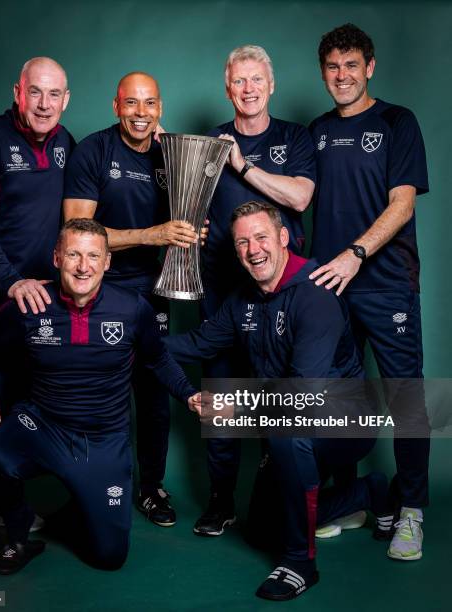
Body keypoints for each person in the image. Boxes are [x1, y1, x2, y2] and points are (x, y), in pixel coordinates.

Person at [165, 201, 393, 600]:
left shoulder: (315, 296)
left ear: (283, 238)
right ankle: (367, 493)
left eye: (261, 237)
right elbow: (199, 342)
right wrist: (138, 344)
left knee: (288, 434)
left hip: (347, 422)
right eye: (242, 242)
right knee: (261, 530)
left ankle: (300, 563)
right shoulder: (243, 300)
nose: (253, 249)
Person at [0, 219, 198, 575]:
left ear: (107, 262)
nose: (83, 266)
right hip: (43, 424)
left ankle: (84, 502)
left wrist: (189, 394)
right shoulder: (30, 304)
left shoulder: (132, 308)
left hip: (103, 439)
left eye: (92, 256)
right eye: (73, 254)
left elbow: (158, 359)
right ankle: (18, 533)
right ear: (56, 258)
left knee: (110, 557)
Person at [308, 23, 430, 561]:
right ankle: (351, 501)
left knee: (405, 397)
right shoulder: (315, 130)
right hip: (330, 286)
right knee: (341, 399)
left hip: (384, 284)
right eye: (333, 67)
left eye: (351, 65)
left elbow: (402, 204)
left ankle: (411, 511)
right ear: (323, 73)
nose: (342, 76)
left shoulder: (397, 122)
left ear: (370, 67)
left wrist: (355, 255)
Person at [62, 72, 199, 527]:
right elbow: (78, 231)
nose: (141, 113)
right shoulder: (94, 151)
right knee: (98, 390)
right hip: (99, 289)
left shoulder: (170, 154)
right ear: (115, 105)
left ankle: (151, 488)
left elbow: (191, 209)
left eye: (150, 104)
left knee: (153, 391)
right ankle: (89, 484)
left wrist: (190, 231)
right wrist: (150, 235)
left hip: (155, 289)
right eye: (131, 104)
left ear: (160, 107)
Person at [0, 57, 74, 559]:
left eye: (54, 94)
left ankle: (12, 505)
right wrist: (9, 282)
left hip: (41, 301)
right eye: (36, 93)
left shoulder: (68, 143)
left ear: (66, 98)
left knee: (26, 406)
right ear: (19, 93)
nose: (45, 104)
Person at [195, 45, 316, 536]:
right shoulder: (209, 142)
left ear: (271, 85)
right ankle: (221, 501)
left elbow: (301, 196)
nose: (247, 89)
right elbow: (187, 200)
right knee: (222, 396)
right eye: (238, 82)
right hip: (223, 288)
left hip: (280, 293)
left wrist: (242, 165)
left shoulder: (295, 137)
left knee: (278, 394)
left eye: (256, 80)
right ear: (228, 89)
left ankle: (276, 496)